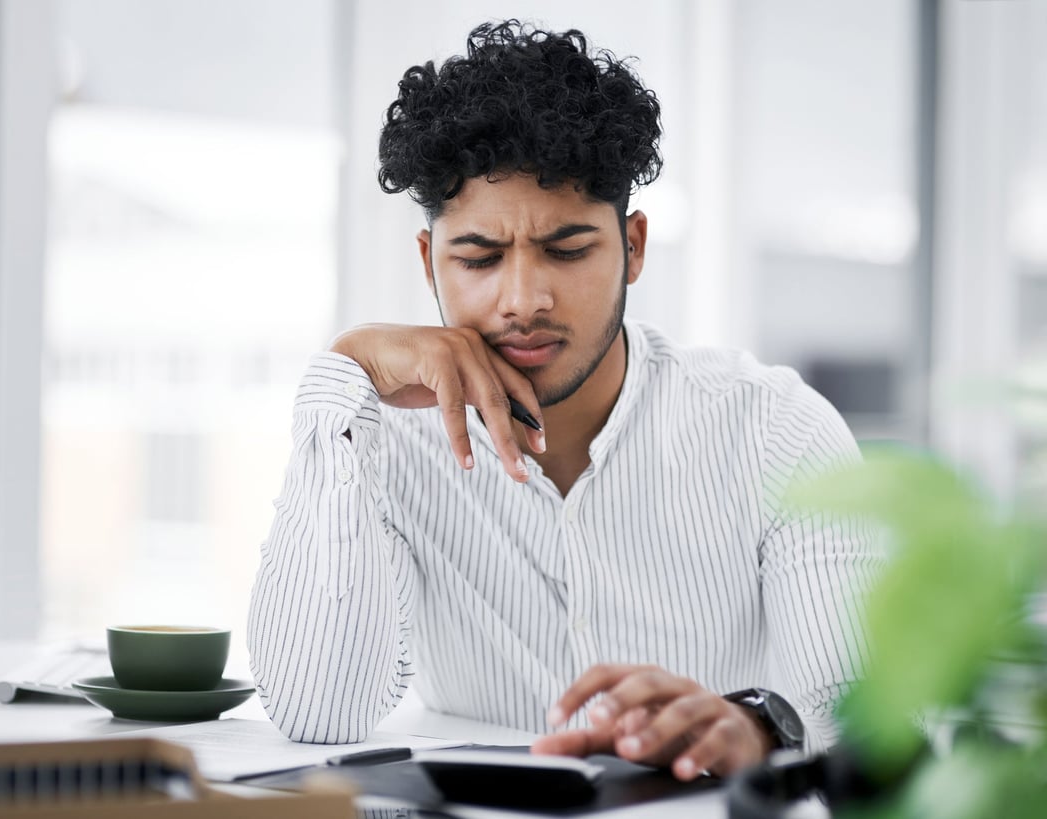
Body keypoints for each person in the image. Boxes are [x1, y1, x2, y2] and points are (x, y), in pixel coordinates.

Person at [246, 19, 880, 781]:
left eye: (568, 249)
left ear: (634, 247)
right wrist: (345, 377)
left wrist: (757, 727)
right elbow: (320, 710)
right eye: (478, 257)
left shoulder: (773, 428)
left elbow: (867, 722)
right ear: (428, 262)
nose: (524, 299)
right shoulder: (382, 440)